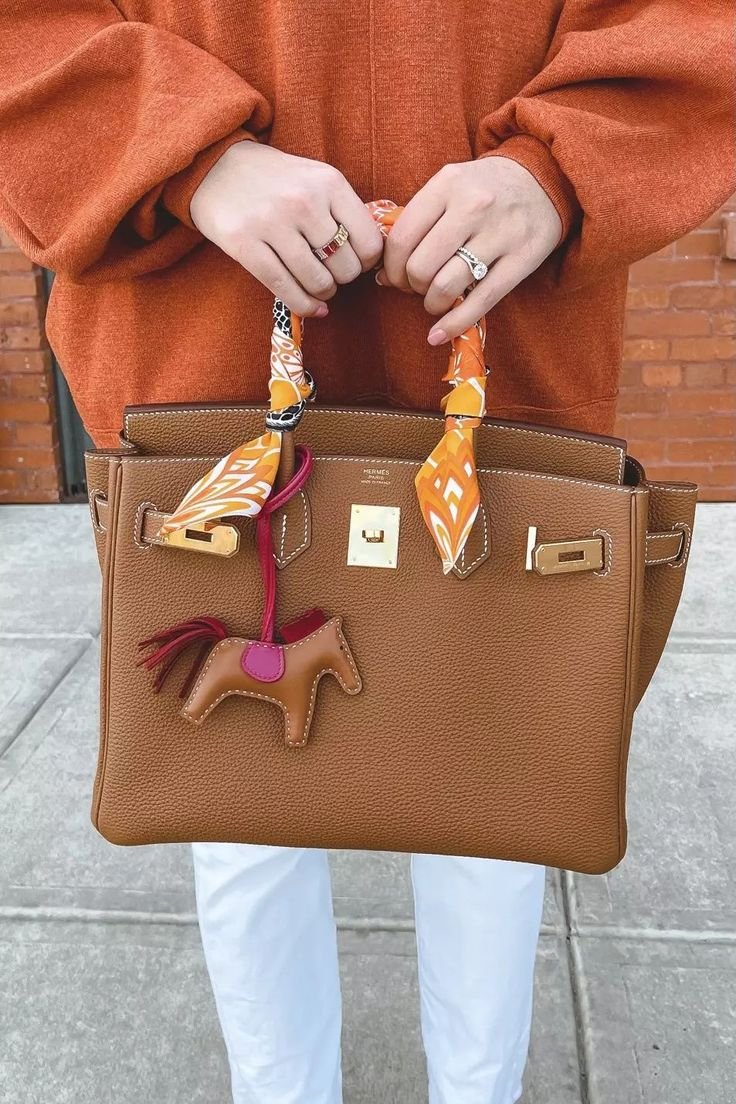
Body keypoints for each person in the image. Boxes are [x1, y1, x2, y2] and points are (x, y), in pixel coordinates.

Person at [1, 3, 732, 1102]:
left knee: (494, 785)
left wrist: (558, 166)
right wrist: (186, 155)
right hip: (205, 330)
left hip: (500, 337)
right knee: (241, 806)